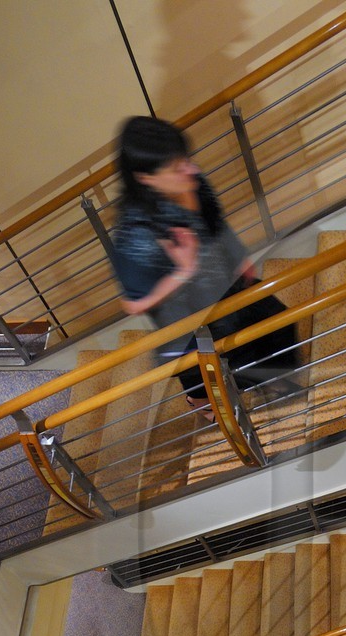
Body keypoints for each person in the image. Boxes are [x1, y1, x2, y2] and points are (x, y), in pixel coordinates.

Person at [109, 116, 300, 417]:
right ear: (145, 178)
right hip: (188, 318)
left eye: (186, 159)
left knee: (279, 324)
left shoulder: (193, 182)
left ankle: (276, 385)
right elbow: (134, 304)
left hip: (227, 287)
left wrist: (238, 256)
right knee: (203, 370)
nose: (192, 169)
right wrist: (182, 272)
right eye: (176, 167)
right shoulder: (134, 237)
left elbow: (215, 222)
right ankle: (200, 402)